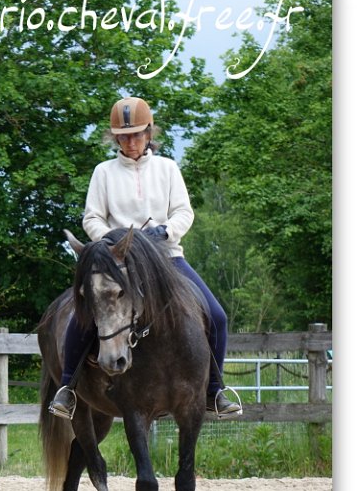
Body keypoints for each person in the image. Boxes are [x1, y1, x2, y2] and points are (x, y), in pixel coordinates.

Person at [49, 96, 241, 419]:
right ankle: (68, 388)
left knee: (217, 316)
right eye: (123, 137)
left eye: (137, 135)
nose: (131, 142)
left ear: (149, 134)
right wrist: (112, 242)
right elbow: (91, 218)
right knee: (80, 318)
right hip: (118, 263)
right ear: (115, 139)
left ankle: (215, 390)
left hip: (166, 260)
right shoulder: (103, 173)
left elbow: (184, 212)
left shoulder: (168, 168)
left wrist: (165, 233)